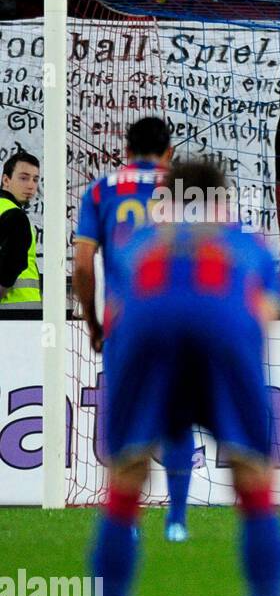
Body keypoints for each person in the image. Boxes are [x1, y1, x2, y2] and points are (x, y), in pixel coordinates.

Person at [84, 158, 280, 596]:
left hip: (147, 333)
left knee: (125, 487)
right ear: (223, 200)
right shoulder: (249, 243)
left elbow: (117, 312)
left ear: (167, 199)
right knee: (255, 487)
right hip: (225, 331)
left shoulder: (137, 246)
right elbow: (265, 314)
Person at [73, 118, 197, 544]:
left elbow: (83, 266)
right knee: (178, 419)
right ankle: (177, 520)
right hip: (180, 321)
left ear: (127, 150)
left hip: (126, 324)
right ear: (169, 153)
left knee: (130, 421)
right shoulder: (189, 188)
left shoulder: (99, 190)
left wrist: (92, 322)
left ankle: (126, 522)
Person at [0, 152, 40, 307]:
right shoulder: (15, 215)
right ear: (6, 180)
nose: (31, 185)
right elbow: (13, 263)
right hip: (19, 311)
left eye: (35, 180)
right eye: (23, 178)